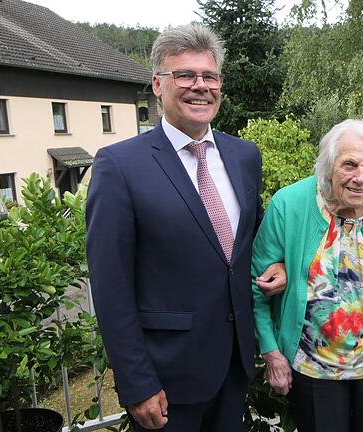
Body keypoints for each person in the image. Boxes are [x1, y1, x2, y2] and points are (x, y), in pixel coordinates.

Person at [86, 24, 282, 431]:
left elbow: (250, 234)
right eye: (185, 76)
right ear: (158, 84)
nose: (200, 86)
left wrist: (275, 262)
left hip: (234, 365)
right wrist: (137, 382)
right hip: (165, 379)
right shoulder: (119, 166)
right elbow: (110, 286)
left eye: (209, 76)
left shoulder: (244, 155)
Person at [252, 119, 363, 432]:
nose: (360, 178)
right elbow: (256, 286)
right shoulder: (289, 204)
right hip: (312, 370)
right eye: (349, 164)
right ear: (328, 166)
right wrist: (272, 353)